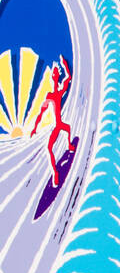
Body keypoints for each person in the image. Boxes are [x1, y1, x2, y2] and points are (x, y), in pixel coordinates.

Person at [29, 56, 75, 186]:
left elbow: (68, 78)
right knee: (49, 148)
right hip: (57, 126)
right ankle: (55, 173)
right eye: (53, 74)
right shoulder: (50, 96)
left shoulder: (59, 93)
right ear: (52, 78)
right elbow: (41, 114)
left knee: (67, 129)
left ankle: (70, 145)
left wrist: (65, 64)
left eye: (55, 73)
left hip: (60, 124)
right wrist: (35, 128)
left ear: (57, 76)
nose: (54, 76)